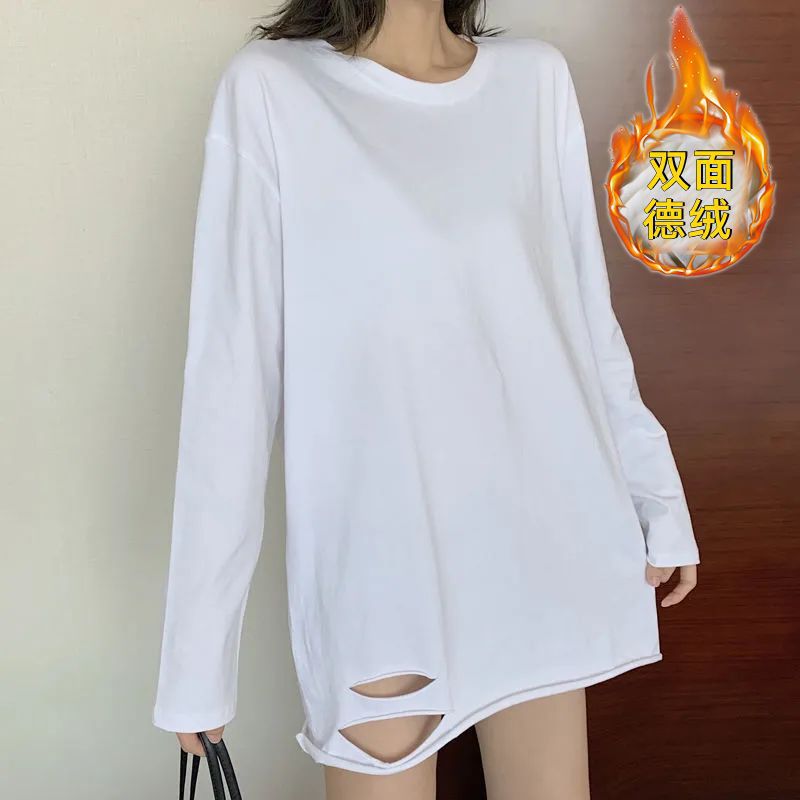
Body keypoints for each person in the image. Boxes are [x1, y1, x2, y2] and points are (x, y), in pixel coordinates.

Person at [153, 2, 700, 798]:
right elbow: (230, 384)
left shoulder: (533, 82)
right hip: (386, 568)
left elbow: (582, 318)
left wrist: (655, 492)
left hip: (542, 540)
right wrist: (198, 661)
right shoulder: (273, 91)